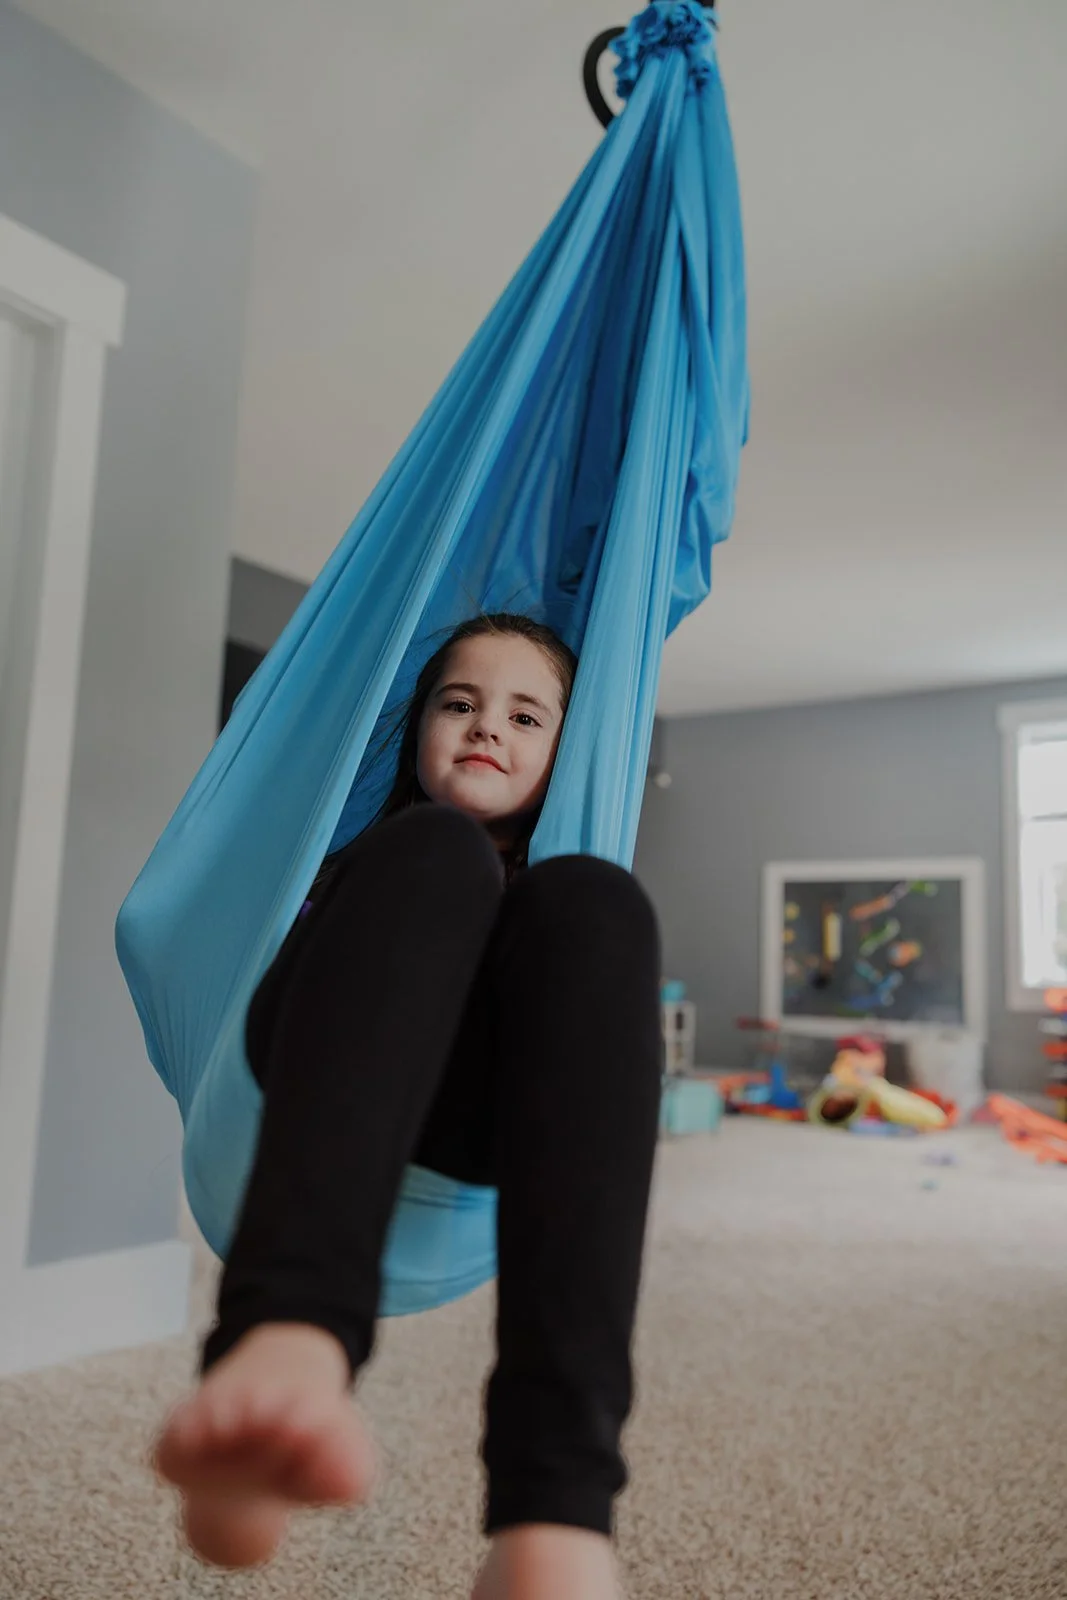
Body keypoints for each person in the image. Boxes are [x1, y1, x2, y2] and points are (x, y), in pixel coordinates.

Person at [151, 612, 663, 1600]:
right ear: (416, 723)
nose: (485, 729)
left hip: (475, 1136)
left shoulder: (552, 907)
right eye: (459, 703)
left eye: (525, 717)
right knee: (434, 850)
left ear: (568, 753)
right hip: (318, 1086)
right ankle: (281, 1346)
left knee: (597, 898)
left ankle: (555, 1508)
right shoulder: (363, 854)